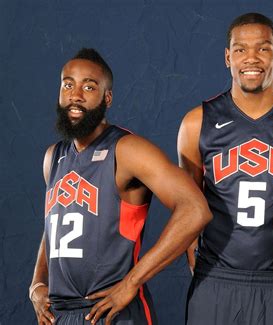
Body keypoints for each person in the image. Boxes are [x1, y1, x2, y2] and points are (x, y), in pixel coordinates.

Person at [29, 48, 212, 325]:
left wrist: (131, 282)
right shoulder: (53, 157)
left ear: (107, 97)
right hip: (61, 315)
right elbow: (53, 225)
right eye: (68, 84)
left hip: (113, 312)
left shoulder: (127, 150)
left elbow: (196, 209)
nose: (75, 95)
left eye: (89, 87)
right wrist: (37, 284)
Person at [177, 12, 273, 325]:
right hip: (215, 279)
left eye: (262, 49)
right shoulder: (197, 122)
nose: (251, 59)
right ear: (227, 57)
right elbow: (188, 203)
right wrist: (194, 257)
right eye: (240, 50)